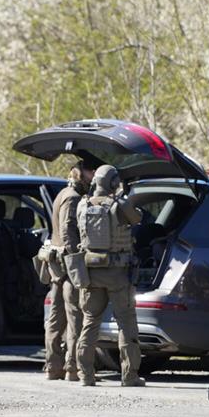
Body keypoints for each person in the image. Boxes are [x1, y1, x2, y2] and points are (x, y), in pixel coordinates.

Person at [74, 165, 144, 387]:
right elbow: (137, 218)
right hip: (117, 274)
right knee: (126, 323)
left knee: (90, 322)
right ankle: (129, 375)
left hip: (90, 273)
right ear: (113, 182)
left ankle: (85, 374)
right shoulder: (118, 205)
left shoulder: (82, 205)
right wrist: (123, 197)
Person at [44, 159, 95, 381]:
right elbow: (67, 231)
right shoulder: (73, 197)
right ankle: (72, 369)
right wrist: (76, 261)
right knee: (75, 318)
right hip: (67, 268)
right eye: (91, 171)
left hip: (57, 267)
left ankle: (53, 367)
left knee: (55, 320)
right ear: (82, 173)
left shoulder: (62, 193)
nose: (94, 175)